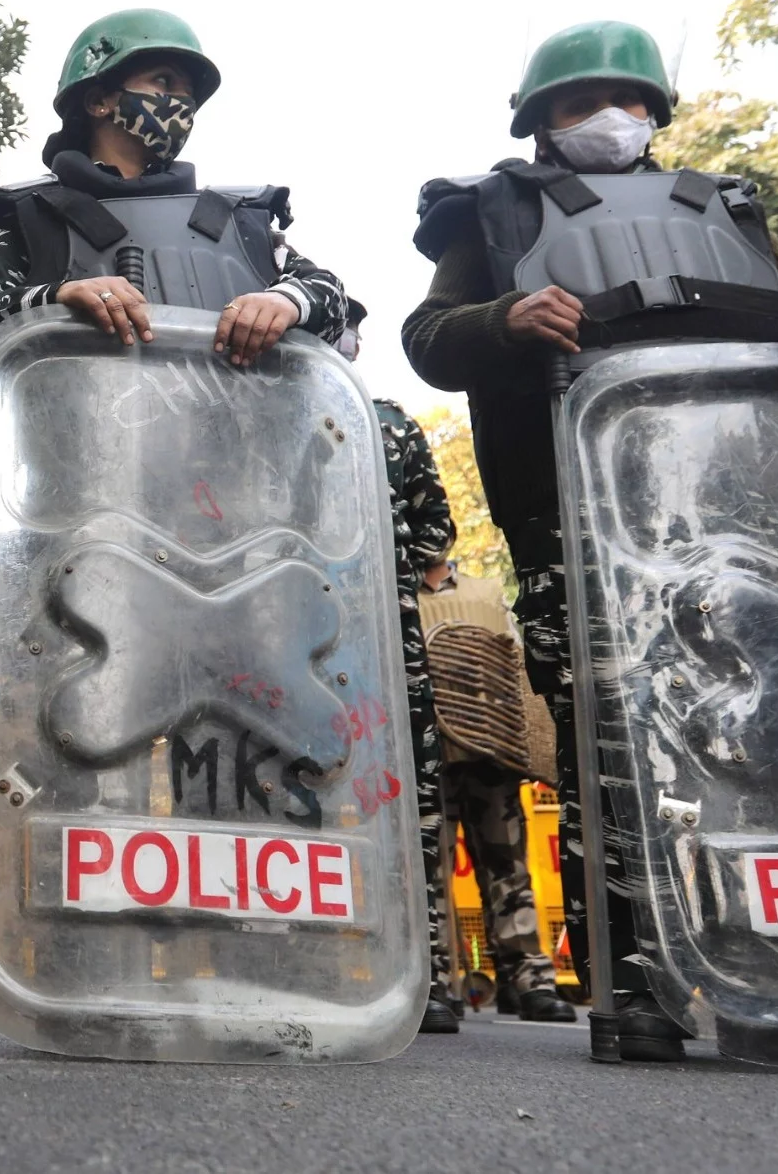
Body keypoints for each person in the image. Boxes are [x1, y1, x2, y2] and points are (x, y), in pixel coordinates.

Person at [402, 20, 778, 1061]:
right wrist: (505, 319)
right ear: (537, 123)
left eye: (623, 99)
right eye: (576, 104)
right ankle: (639, 982)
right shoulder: (491, 214)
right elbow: (428, 339)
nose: (606, 119)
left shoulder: (720, 205)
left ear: (652, 110)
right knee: (611, 759)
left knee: (767, 746)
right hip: (574, 523)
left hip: (735, 524)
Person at [0, 8, 346, 373]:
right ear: (99, 100)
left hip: (235, 446)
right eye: (163, 81)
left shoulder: (235, 216)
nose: (181, 103)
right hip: (86, 444)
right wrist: (58, 296)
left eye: (187, 92)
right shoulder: (32, 215)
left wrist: (284, 302)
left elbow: (328, 296)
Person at [341, 301, 459, 1033]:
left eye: (349, 325)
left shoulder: (390, 422)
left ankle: (425, 975)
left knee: (409, 804)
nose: (342, 336)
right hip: (334, 640)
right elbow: (432, 535)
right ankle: (412, 977)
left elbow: (436, 530)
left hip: (383, 644)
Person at [416, 556, 574, 1023]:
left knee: (510, 867)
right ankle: (434, 981)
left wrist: (529, 747)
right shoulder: (395, 596)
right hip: (425, 755)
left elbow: (516, 670)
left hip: (493, 754)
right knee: (428, 872)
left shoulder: (486, 593)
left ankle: (529, 981)